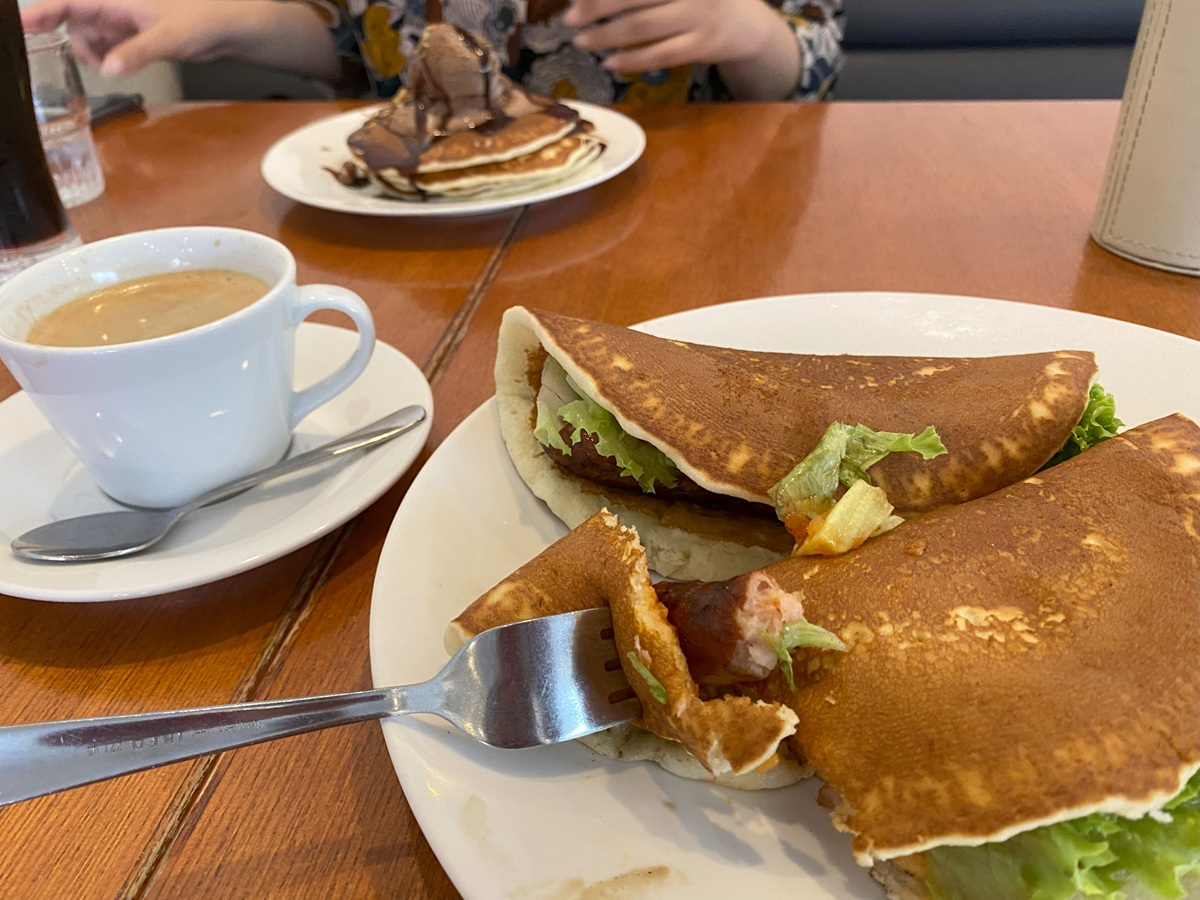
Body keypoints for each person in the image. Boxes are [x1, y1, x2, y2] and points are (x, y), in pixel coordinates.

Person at [21, 0, 843, 103]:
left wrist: (750, 29)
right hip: (420, 226)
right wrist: (226, 24)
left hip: (687, 214)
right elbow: (354, 47)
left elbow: (811, 61)